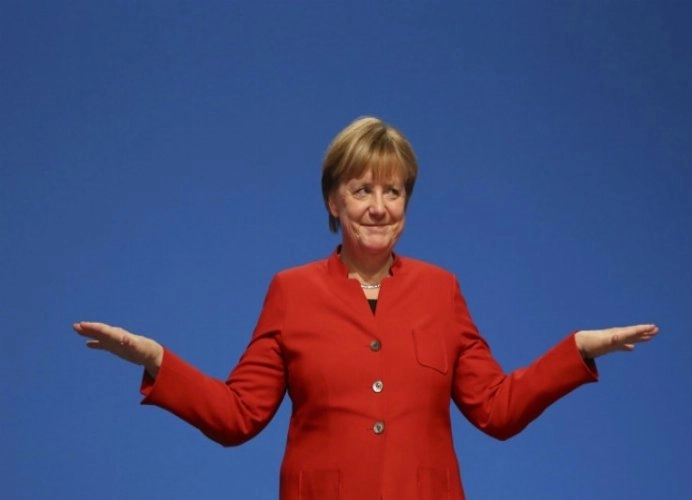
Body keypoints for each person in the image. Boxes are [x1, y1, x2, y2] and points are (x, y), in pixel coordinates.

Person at [74, 116, 658, 500]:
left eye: (393, 191)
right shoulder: (292, 291)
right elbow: (238, 416)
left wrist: (575, 351)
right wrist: (157, 360)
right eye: (362, 190)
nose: (379, 208)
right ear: (334, 200)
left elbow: (496, 409)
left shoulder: (441, 290)